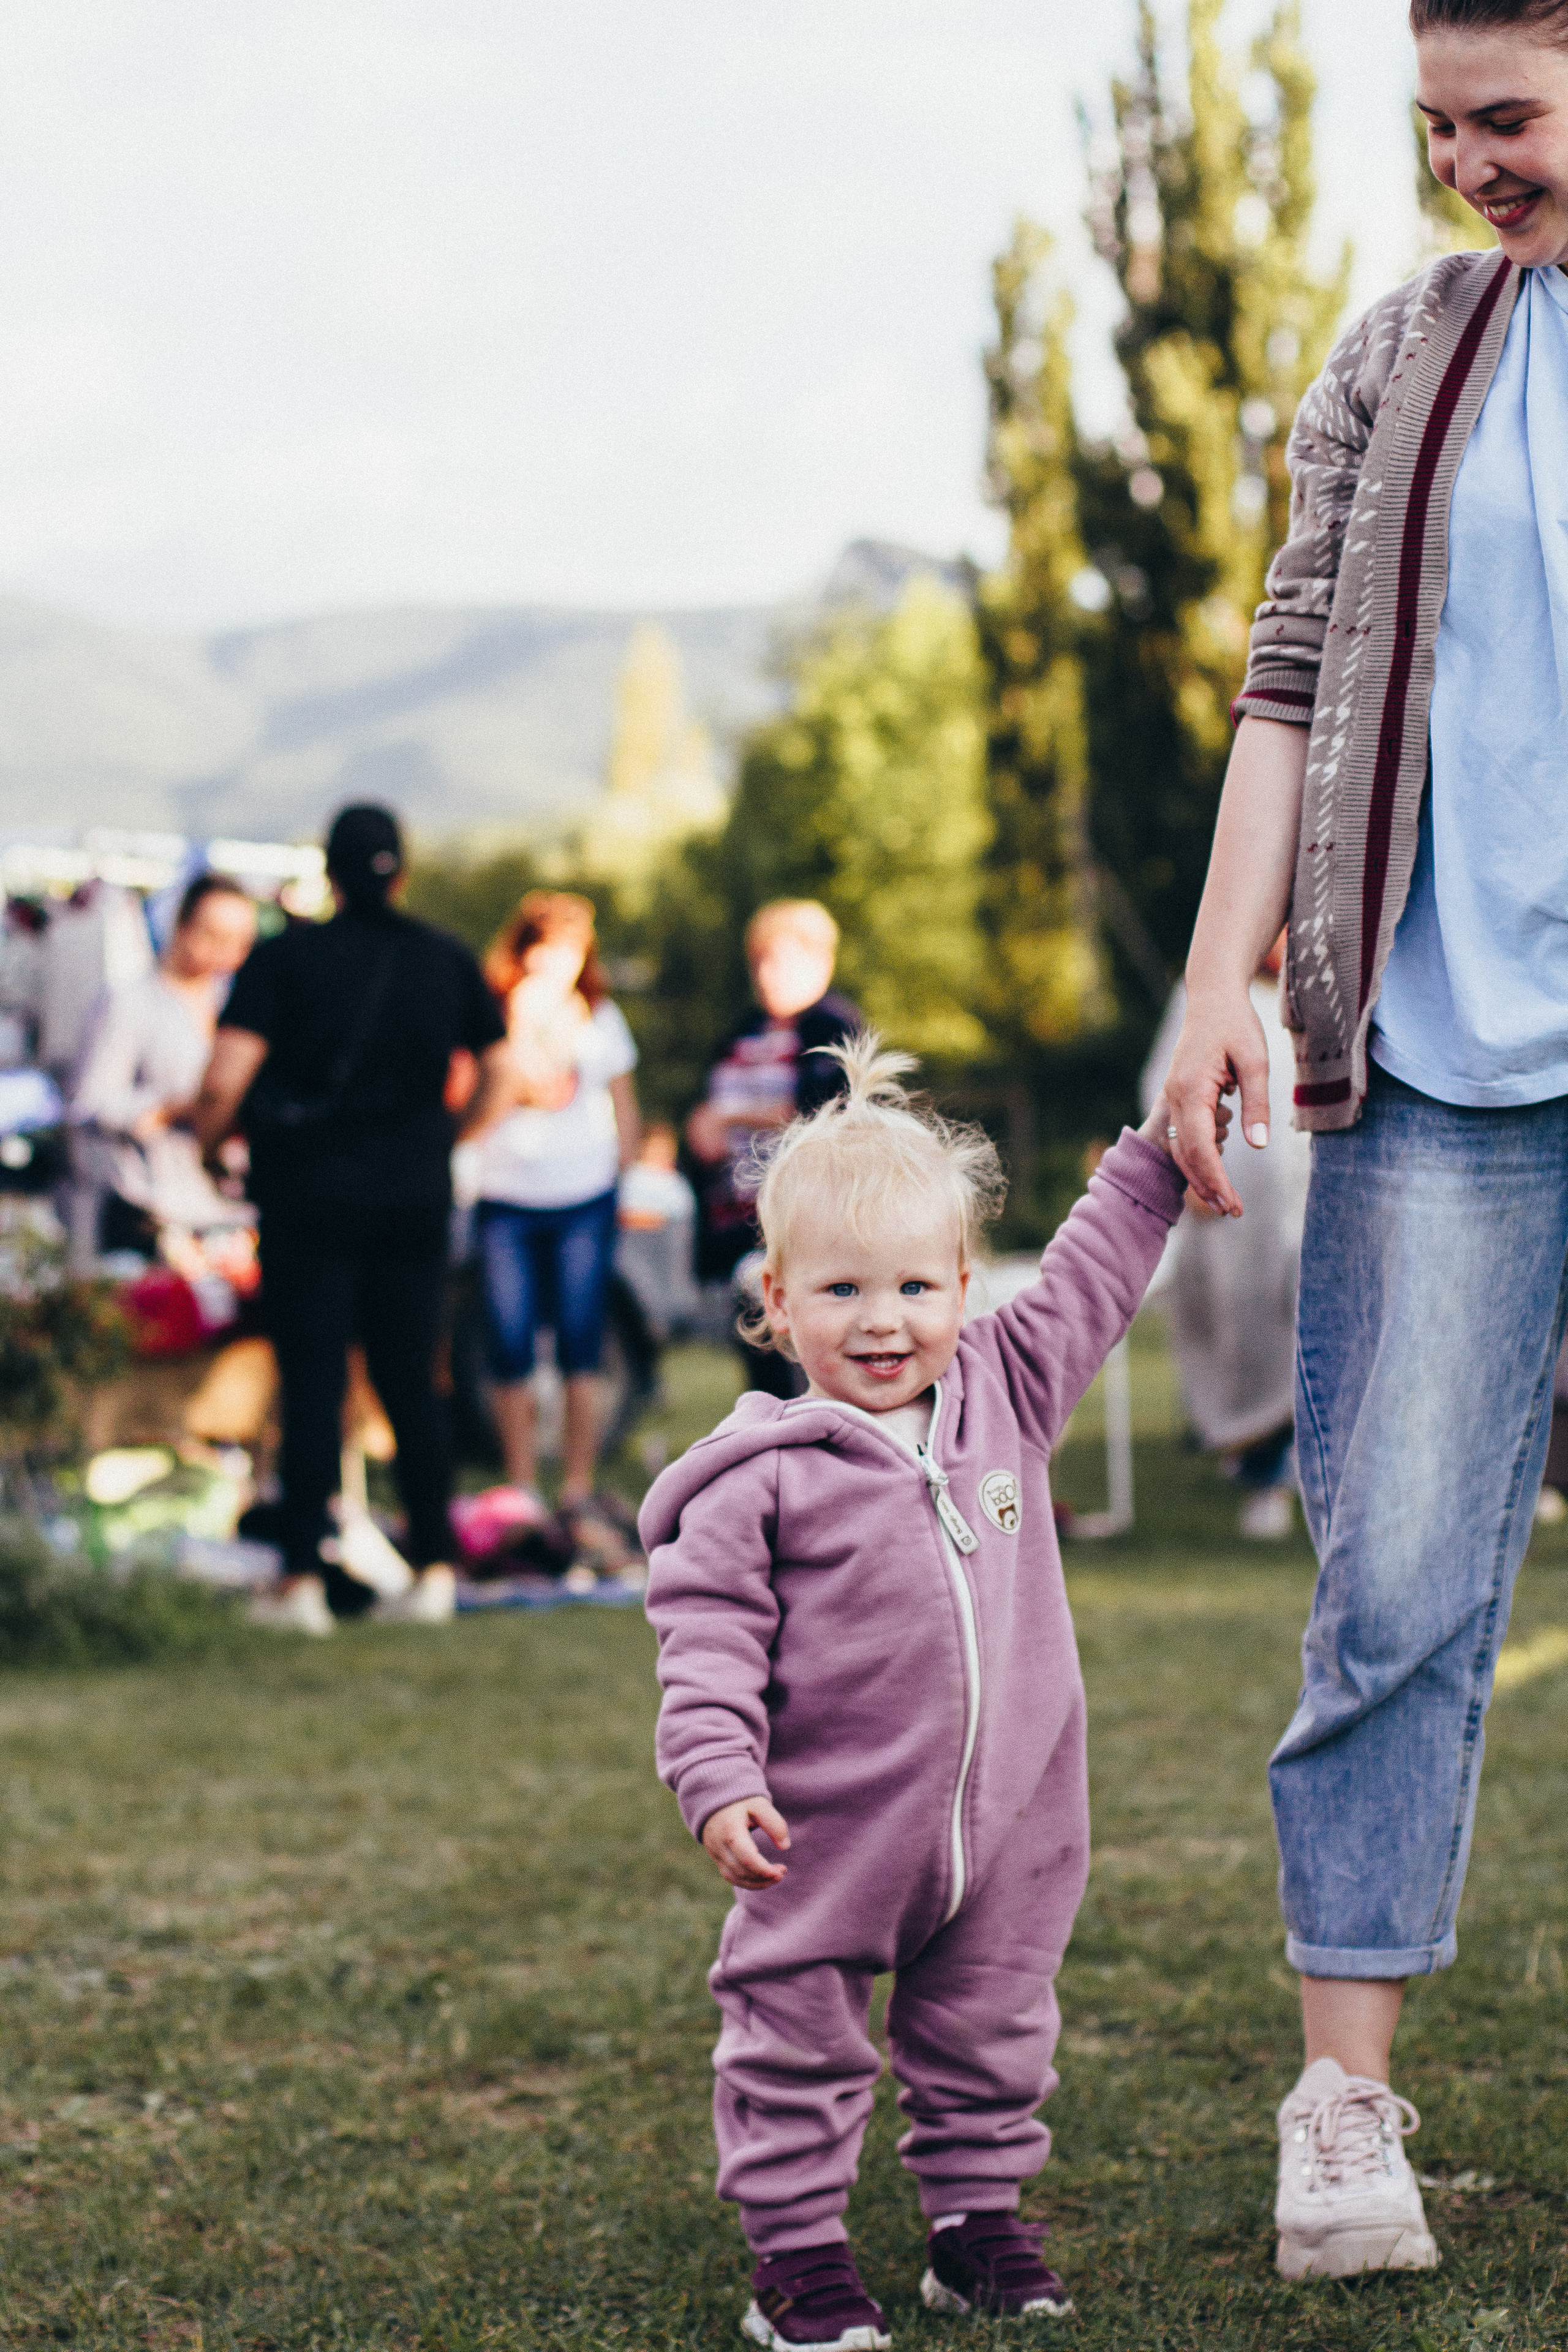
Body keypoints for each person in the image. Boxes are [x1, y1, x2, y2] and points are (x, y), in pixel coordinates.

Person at [1163, 0, 1568, 2281]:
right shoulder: (1408, 352)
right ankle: (1339, 2111)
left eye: (1501, 120)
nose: (1461, 168)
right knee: (1395, 1585)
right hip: (1434, 1061)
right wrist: (1213, 982)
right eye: (1434, 125)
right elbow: (1290, 678)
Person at [642, 1036, 1192, 2347]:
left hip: (1008, 1823)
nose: (880, 1320)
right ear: (775, 1303)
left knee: (995, 2019)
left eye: (910, 1286)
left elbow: (1091, 1275)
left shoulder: (1003, 1389)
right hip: (828, 1837)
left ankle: (973, 2223)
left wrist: (1161, 1151)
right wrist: (719, 1784)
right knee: (796, 2040)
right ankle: (797, 2255)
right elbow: (704, 1647)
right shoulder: (753, 1480)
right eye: (839, 1291)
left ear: (961, 1284)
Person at [192, 804, 511, 1634]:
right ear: (401, 872)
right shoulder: (444, 958)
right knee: (413, 1383)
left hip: (308, 1198)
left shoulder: (283, 959)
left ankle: (302, 1579)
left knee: (312, 1384)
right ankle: (436, 1568)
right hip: (414, 1197)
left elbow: (227, 1079)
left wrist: (208, 1143)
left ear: (327, 874)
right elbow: (504, 1072)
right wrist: (450, 1135)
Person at [465, 891, 641, 1547]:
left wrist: (622, 1169)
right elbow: (482, 1094)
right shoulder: (493, 1013)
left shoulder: (600, 1018)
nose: (556, 961)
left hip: (583, 1196)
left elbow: (623, 1100)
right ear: (524, 948)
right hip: (507, 1193)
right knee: (508, 1341)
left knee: (580, 1340)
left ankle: (576, 1483)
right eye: (546, 947)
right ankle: (519, 1484)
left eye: (570, 950)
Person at [1140, 939, 1311, 1538]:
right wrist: (1186, 1164)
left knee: (1311, 1333)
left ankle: (1305, 1475)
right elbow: (1166, 1083)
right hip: (1231, 1210)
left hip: (1311, 1203)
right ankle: (1261, 1473)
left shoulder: (1325, 984)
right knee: (1245, 1338)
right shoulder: (1209, 990)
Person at [685, 899, 859, 1394]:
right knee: (760, 1361)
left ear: (819, 960)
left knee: (809, 1361)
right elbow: (708, 1105)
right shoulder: (742, 1031)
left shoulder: (835, 1027)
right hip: (740, 1218)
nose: (766, 974)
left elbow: (830, 1109)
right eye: (759, 961)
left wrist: (730, 1117)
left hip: (810, 1222)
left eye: (779, 960)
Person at [69, 873, 257, 1256]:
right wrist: (172, 1109)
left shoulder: (240, 1007)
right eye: (215, 935)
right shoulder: (131, 1001)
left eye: (241, 942)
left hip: (227, 1212)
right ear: (183, 927)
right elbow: (89, 1104)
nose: (228, 952)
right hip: (153, 1211)